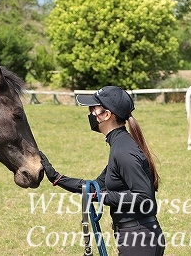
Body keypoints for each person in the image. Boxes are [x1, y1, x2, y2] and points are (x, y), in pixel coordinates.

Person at [40, 86, 165, 256]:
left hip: (139, 240)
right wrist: (57, 178)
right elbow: (95, 187)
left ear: (106, 115)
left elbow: (144, 197)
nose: (90, 113)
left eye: (93, 108)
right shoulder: (119, 146)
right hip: (137, 238)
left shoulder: (123, 151)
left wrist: (104, 197)